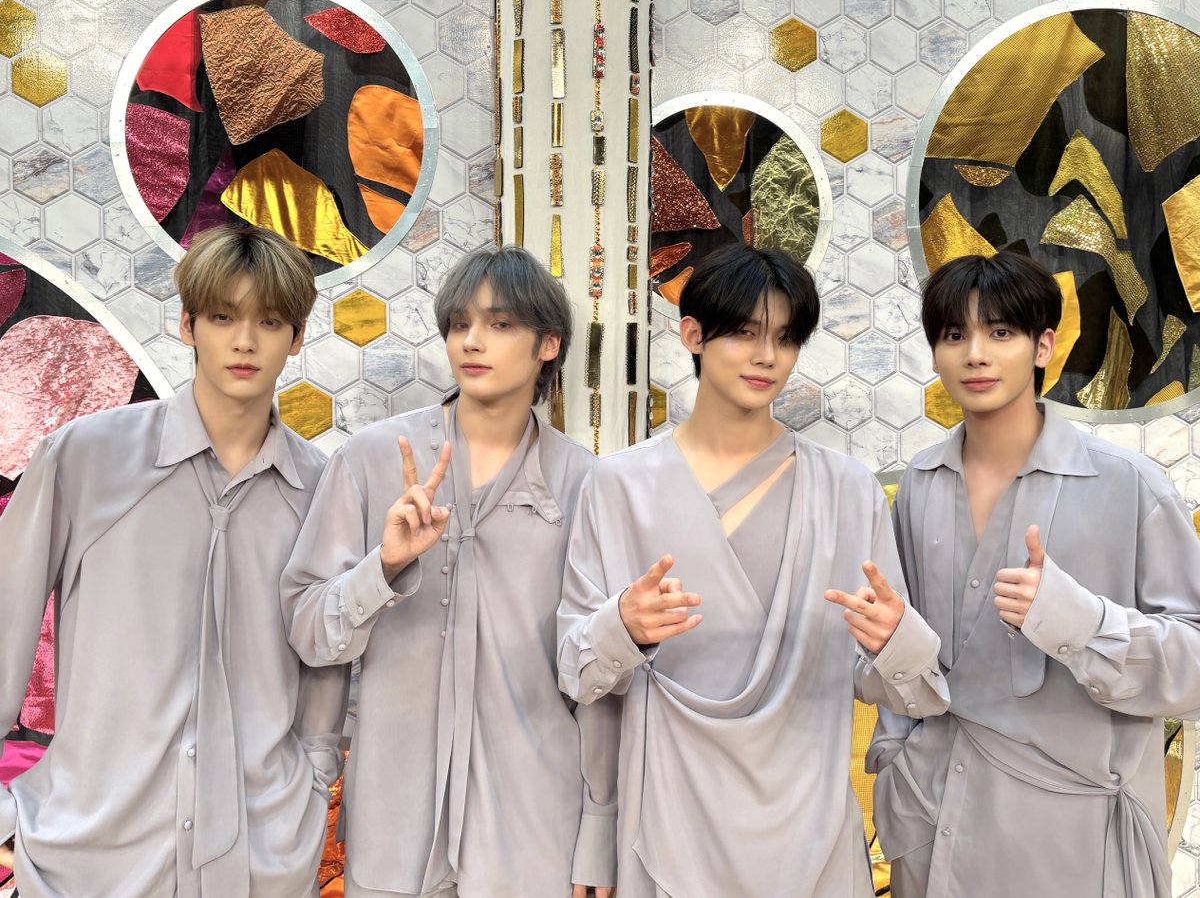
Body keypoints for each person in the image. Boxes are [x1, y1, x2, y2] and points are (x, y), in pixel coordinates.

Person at [557, 243, 950, 897]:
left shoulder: (847, 491)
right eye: (744, 332)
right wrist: (621, 627)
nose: (767, 356)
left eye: (785, 338)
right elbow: (579, 674)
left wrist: (897, 642)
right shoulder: (617, 486)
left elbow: (903, 692)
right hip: (668, 826)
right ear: (692, 334)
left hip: (812, 831)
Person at [0, 225, 347, 897]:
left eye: (269, 321)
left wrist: (310, 789)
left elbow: (327, 661)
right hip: (92, 863)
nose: (244, 342)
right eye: (222, 317)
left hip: (258, 861)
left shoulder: (324, 490)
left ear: (298, 336)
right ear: (188, 325)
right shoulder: (85, 459)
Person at [281, 245, 613, 898]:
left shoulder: (586, 483)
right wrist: (385, 566)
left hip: (534, 832)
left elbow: (598, 679)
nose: (472, 341)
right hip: (394, 830)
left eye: (499, 324)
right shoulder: (371, 460)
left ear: (548, 345)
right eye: (460, 324)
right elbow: (309, 634)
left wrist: (599, 828)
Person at [870, 251, 1200, 898]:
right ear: (934, 353)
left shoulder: (1127, 485)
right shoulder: (919, 486)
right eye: (954, 335)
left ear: (1044, 345)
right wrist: (895, 764)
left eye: (1001, 332)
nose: (976, 355)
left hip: (1074, 846)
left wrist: (1083, 623)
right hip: (934, 828)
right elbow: (908, 656)